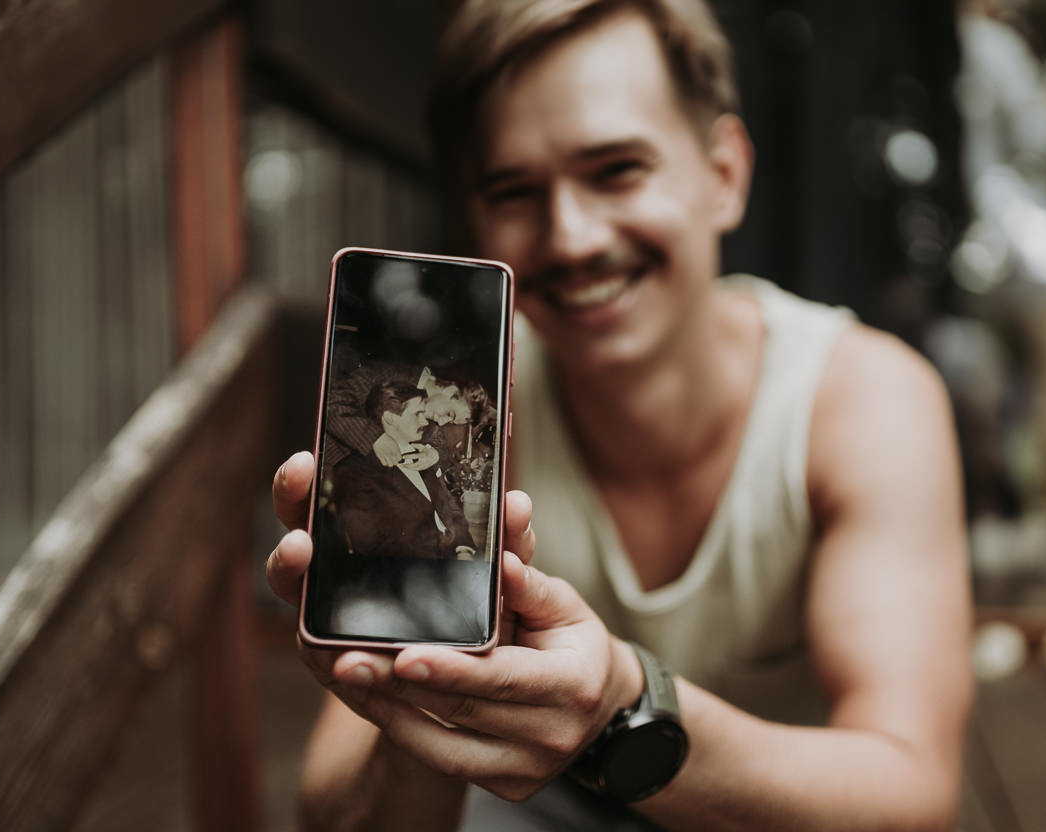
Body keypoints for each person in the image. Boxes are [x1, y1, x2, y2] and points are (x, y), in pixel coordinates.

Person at [266, 0, 972, 829]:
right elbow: (340, 816)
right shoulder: (463, 410)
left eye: (616, 170)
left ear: (724, 175)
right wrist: (415, 688)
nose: (570, 237)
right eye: (515, 190)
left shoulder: (863, 401)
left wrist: (624, 709)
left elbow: (911, 793)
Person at [333, 380, 476, 561]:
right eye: (418, 414)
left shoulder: (424, 455)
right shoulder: (354, 472)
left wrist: (464, 549)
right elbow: (375, 548)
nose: (426, 420)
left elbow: (451, 510)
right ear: (390, 418)